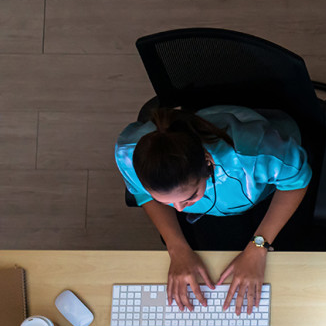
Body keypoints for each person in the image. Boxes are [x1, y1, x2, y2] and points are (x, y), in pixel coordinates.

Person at [115, 106, 312, 315]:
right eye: (167, 201)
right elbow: (143, 194)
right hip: (215, 208)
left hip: (265, 191)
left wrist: (258, 245)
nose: (179, 209)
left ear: (208, 163)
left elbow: (296, 182)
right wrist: (176, 248)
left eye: (189, 197)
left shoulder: (252, 154)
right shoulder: (131, 154)